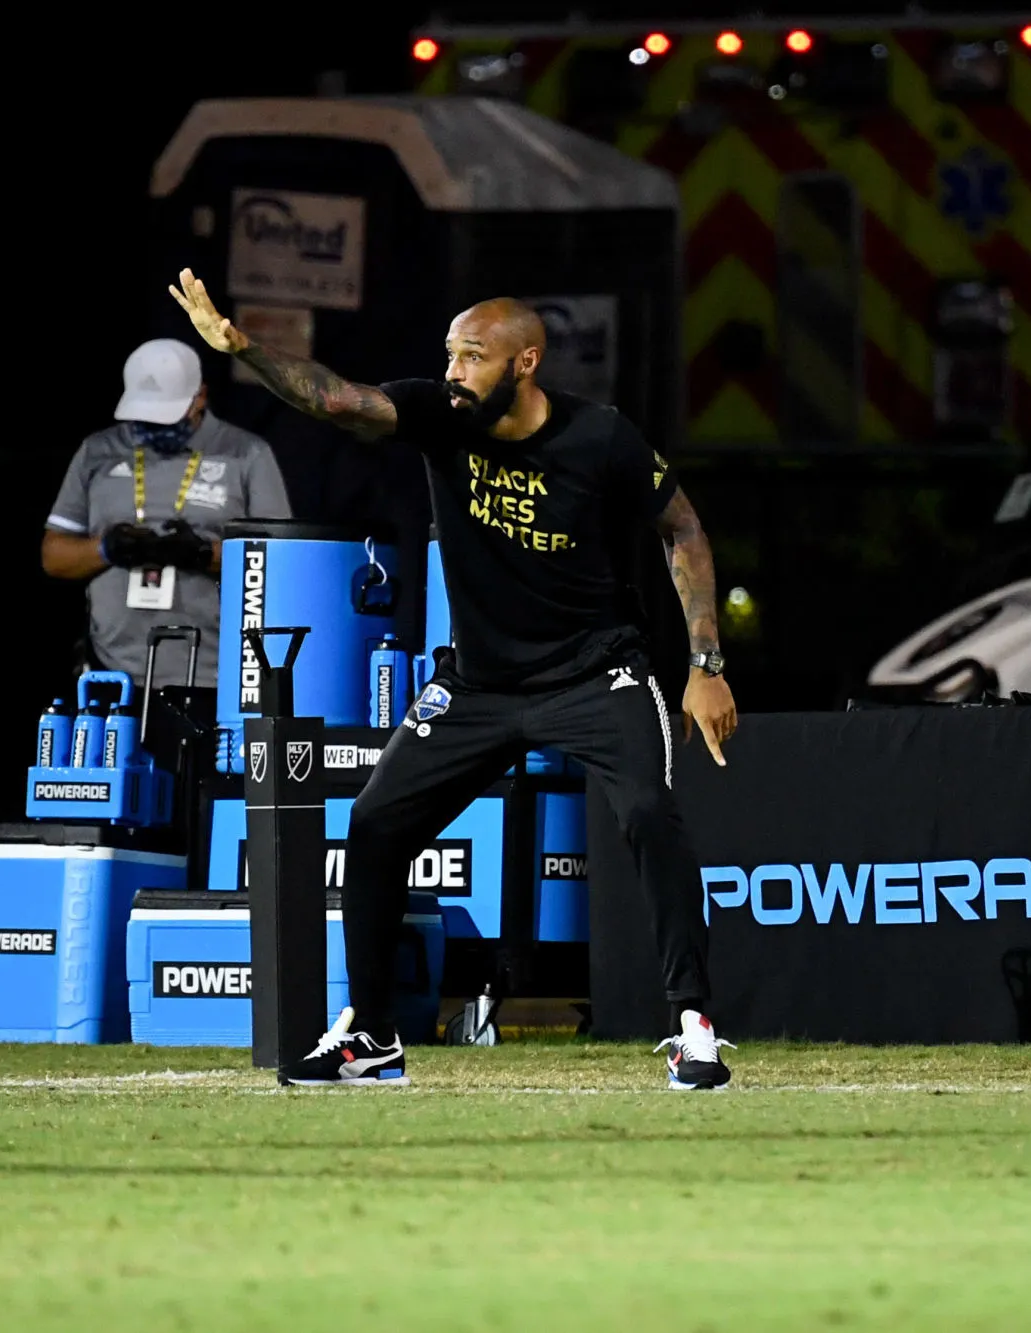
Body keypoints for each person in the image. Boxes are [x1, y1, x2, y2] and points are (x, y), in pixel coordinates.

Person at [170, 268, 739, 1091]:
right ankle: (371, 1033)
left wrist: (705, 664)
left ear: (527, 361)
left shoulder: (600, 437)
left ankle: (695, 1027)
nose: (454, 372)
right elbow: (336, 400)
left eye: (473, 356)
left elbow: (682, 528)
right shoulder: (442, 416)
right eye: (450, 354)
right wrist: (245, 347)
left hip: (595, 672)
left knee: (649, 813)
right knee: (372, 823)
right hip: (479, 683)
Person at [43, 338, 291, 687]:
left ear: (199, 398)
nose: (154, 427)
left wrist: (205, 553)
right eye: (144, 416)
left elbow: (280, 564)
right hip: (111, 673)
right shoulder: (99, 451)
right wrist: (106, 549)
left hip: (214, 675)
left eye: (165, 414)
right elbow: (53, 556)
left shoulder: (246, 454)